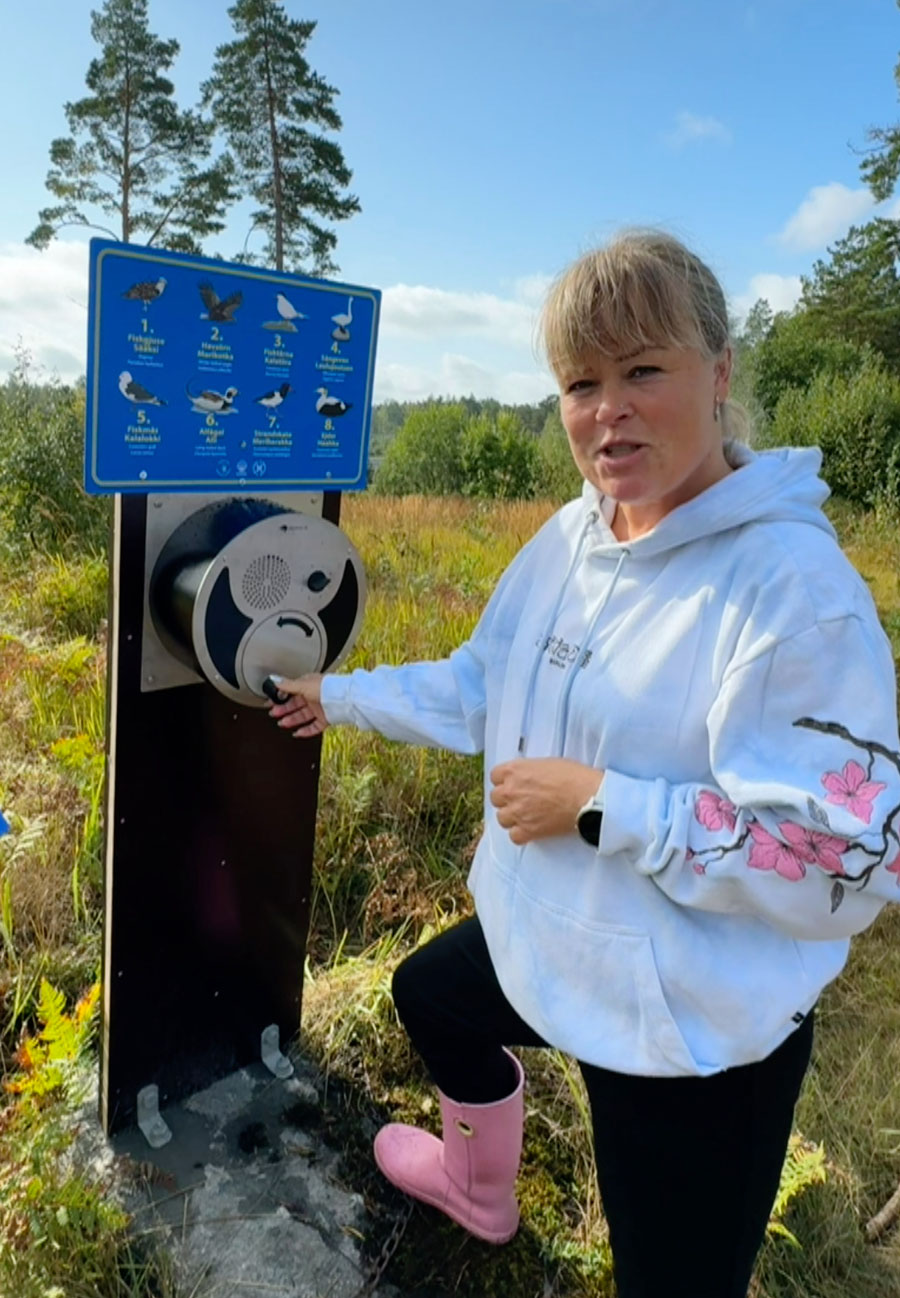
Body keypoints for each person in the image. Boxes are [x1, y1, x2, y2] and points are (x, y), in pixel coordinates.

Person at [267, 230, 900, 1298]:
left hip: (692, 1031)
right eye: (581, 380)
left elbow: (844, 862)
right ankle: (479, 1189)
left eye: (643, 370)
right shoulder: (568, 537)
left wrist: (607, 805)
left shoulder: (795, 591)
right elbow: (482, 681)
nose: (609, 407)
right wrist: (344, 695)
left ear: (719, 371)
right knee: (434, 995)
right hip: (549, 943)